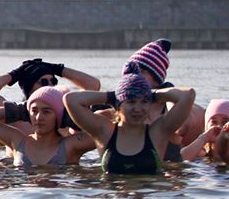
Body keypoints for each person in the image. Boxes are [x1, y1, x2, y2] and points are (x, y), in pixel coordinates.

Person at [64, 74, 195, 175]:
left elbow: (188, 95)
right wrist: (112, 96)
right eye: (131, 102)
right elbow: (71, 99)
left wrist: (152, 94)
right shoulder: (104, 131)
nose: (138, 109)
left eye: (144, 102)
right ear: (119, 105)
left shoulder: (158, 132)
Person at [0, 54, 100, 144]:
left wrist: (58, 69)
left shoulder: (65, 116)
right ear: (29, 88)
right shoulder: (15, 118)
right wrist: (15, 74)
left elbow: (93, 85)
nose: (50, 85)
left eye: (53, 81)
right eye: (43, 82)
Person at [0, 86, 96, 167]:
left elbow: (106, 132)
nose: (38, 118)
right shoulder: (17, 141)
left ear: (59, 116)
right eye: (34, 111)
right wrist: (19, 110)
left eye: (46, 112)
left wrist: (73, 119)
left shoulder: (70, 145)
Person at [181, 99, 229, 163]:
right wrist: (203, 138)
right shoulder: (198, 153)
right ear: (206, 126)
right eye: (214, 122)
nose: (219, 126)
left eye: (224, 122)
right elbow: (179, 160)